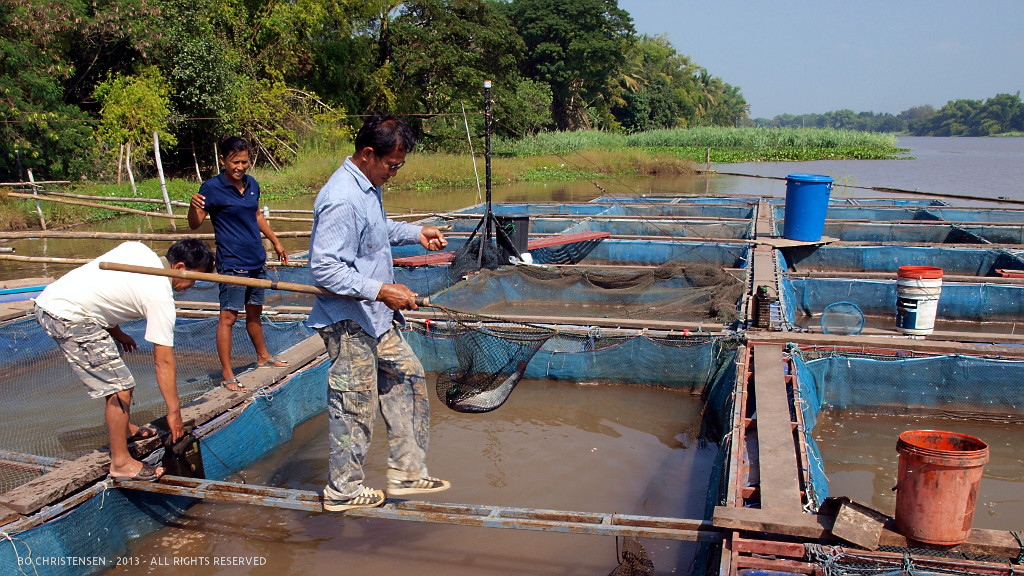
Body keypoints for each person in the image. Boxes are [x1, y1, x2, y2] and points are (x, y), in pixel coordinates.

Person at [307, 114, 450, 511]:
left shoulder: (367, 187)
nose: (395, 173)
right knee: (355, 405)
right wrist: (381, 290)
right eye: (393, 165)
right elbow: (324, 268)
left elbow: (376, 230)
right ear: (368, 154)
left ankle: (407, 471)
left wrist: (414, 232)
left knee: (407, 376)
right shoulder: (341, 197)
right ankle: (343, 492)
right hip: (349, 321)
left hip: (376, 318)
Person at [34, 239, 215, 481]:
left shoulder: (137, 249)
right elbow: (163, 362)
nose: (192, 285)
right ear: (180, 266)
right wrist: (174, 413)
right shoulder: (160, 297)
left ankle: (126, 429)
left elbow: (102, 288)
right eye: (193, 278)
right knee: (120, 387)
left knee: (116, 373)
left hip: (54, 302)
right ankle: (120, 462)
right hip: (67, 316)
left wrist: (116, 332)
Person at [188, 136, 290, 391]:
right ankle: (227, 373)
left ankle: (263, 356)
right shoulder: (211, 188)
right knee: (229, 317)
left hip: (256, 260)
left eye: (245, 162)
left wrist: (275, 241)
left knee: (255, 312)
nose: (240, 167)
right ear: (223, 160)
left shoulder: (252, 184)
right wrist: (192, 207)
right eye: (235, 162)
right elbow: (194, 222)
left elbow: (256, 215)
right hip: (232, 262)